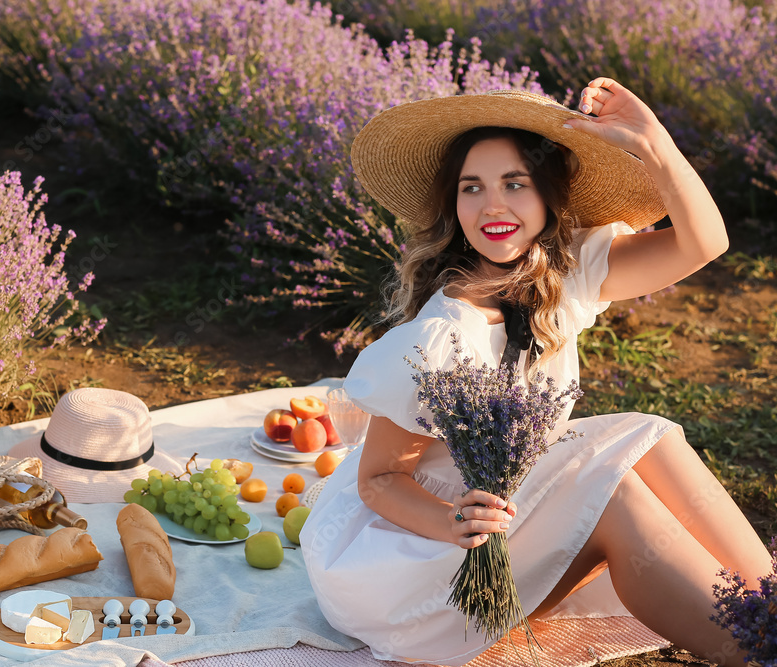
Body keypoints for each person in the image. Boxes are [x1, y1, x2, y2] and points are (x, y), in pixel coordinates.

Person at [299, 78, 773, 666]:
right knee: (613, 492)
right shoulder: (441, 338)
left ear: (550, 197)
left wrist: (655, 144)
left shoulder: (564, 275)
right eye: (472, 188)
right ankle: (758, 653)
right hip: (410, 559)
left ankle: (769, 608)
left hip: (505, 512)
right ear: (454, 206)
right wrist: (454, 521)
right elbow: (378, 482)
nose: (492, 205)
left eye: (514, 184)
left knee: (650, 437)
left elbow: (705, 242)